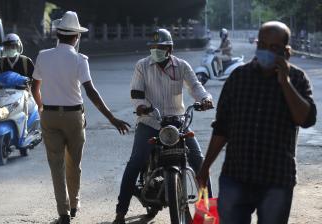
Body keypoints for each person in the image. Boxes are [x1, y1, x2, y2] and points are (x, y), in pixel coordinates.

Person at [197, 21, 317, 224]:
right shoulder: (238, 78)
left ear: (286, 51)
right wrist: (205, 166)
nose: (265, 51)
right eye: (262, 45)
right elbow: (222, 127)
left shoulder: (297, 79)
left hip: (276, 179)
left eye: (273, 48)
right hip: (236, 175)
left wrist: (284, 82)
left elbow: (305, 119)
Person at [31, 11, 130, 224]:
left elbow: (34, 85)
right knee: (73, 164)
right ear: (76, 37)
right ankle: (74, 205)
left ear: (58, 34)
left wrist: (41, 106)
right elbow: (91, 92)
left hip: (49, 115)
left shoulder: (43, 56)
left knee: (56, 166)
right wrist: (112, 119)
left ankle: (63, 213)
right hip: (74, 117)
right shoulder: (79, 59)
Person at [113, 28, 214, 224]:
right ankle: (120, 211)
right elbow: (136, 92)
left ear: (170, 49)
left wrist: (205, 99)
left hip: (178, 122)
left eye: (160, 47)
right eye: (153, 47)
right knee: (135, 162)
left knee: (200, 163)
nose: (155, 50)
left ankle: (207, 213)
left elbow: (195, 87)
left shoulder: (182, 66)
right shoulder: (142, 66)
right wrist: (141, 106)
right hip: (151, 121)